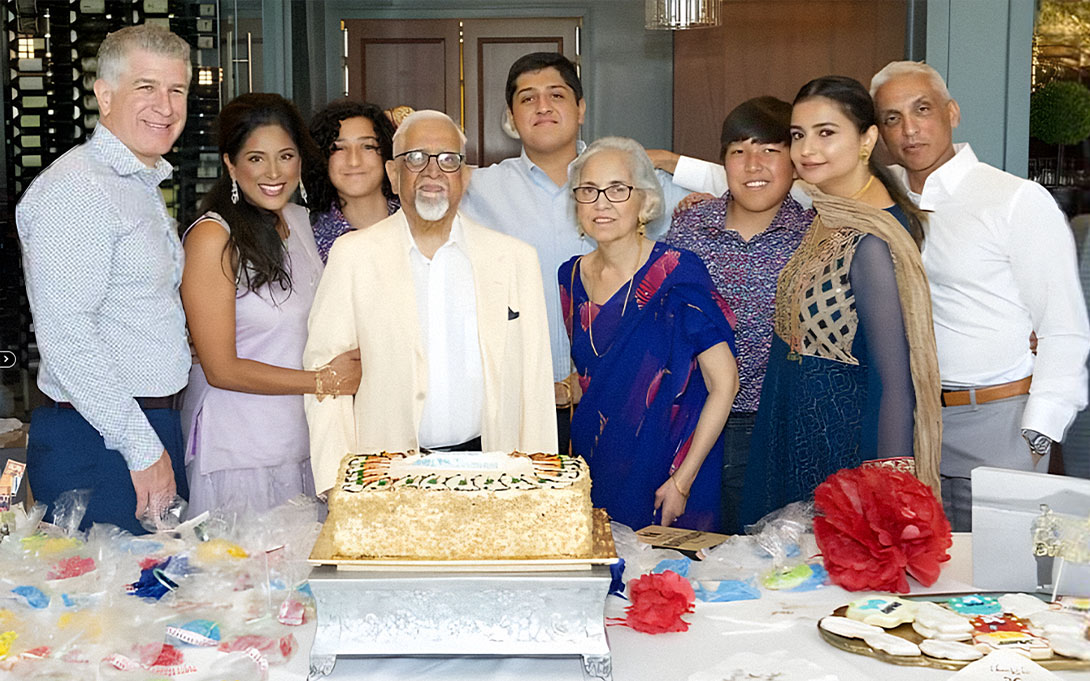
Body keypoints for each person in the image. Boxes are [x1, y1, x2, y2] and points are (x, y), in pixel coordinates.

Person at [460, 52, 716, 456]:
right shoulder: (478, 189)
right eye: (527, 99)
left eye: (556, 95)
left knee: (613, 520)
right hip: (522, 403)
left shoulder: (634, 179)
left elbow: (748, 187)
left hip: (625, 402)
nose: (542, 106)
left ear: (580, 108)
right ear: (511, 116)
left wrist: (671, 161)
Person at [870, 61, 1090, 530]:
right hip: (913, 421)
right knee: (924, 583)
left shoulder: (1013, 199)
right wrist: (676, 170)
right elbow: (789, 179)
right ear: (878, 134)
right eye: (892, 118)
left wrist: (1038, 435)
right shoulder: (877, 198)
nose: (909, 129)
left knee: (1000, 588)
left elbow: (1063, 325)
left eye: (922, 109)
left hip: (999, 420)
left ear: (951, 113)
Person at [303, 110, 557, 495]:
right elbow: (326, 377)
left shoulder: (515, 259)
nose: (432, 172)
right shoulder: (352, 256)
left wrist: (539, 484)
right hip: (385, 476)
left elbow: (534, 382)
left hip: (494, 473)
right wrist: (338, 485)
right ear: (393, 173)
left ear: (465, 175)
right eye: (416, 158)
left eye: (448, 160)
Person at [740, 76, 942, 526]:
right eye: (798, 135)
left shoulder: (874, 238)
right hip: (793, 431)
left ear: (867, 139)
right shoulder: (829, 212)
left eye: (826, 133)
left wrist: (888, 493)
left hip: (843, 451)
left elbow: (895, 380)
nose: (806, 149)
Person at [15, 25, 193, 534]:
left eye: (176, 90)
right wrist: (141, 449)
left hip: (141, 425)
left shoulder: (135, 180)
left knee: (156, 599)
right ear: (105, 94)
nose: (164, 105)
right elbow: (68, 338)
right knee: (109, 607)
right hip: (100, 437)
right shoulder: (79, 189)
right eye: (146, 87)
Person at [179, 93, 361, 518]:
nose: (275, 173)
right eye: (256, 159)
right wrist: (322, 382)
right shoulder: (213, 237)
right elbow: (220, 368)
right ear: (230, 163)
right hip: (241, 449)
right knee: (247, 578)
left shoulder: (299, 220)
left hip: (303, 439)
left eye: (286, 156)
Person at [559, 137, 739, 531]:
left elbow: (724, 383)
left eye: (618, 189)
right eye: (588, 190)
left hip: (669, 466)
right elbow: (600, 371)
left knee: (670, 587)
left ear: (645, 202)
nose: (601, 203)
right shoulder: (570, 275)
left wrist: (682, 481)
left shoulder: (678, 272)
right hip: (598, 463)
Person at [664, 97, 813, 533]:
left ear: (794, 161)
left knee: (766, 559)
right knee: (691, 553)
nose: (753, 165)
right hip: (691, 424)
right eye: (738, 151)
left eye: (770, 150)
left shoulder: (814, 234)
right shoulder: (689, 229)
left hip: (774, 430)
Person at [307, 99, 401, 263]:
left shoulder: (416, 222)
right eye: (339, 148)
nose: (354, 161)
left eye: (368, 147)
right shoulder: (309, 241)